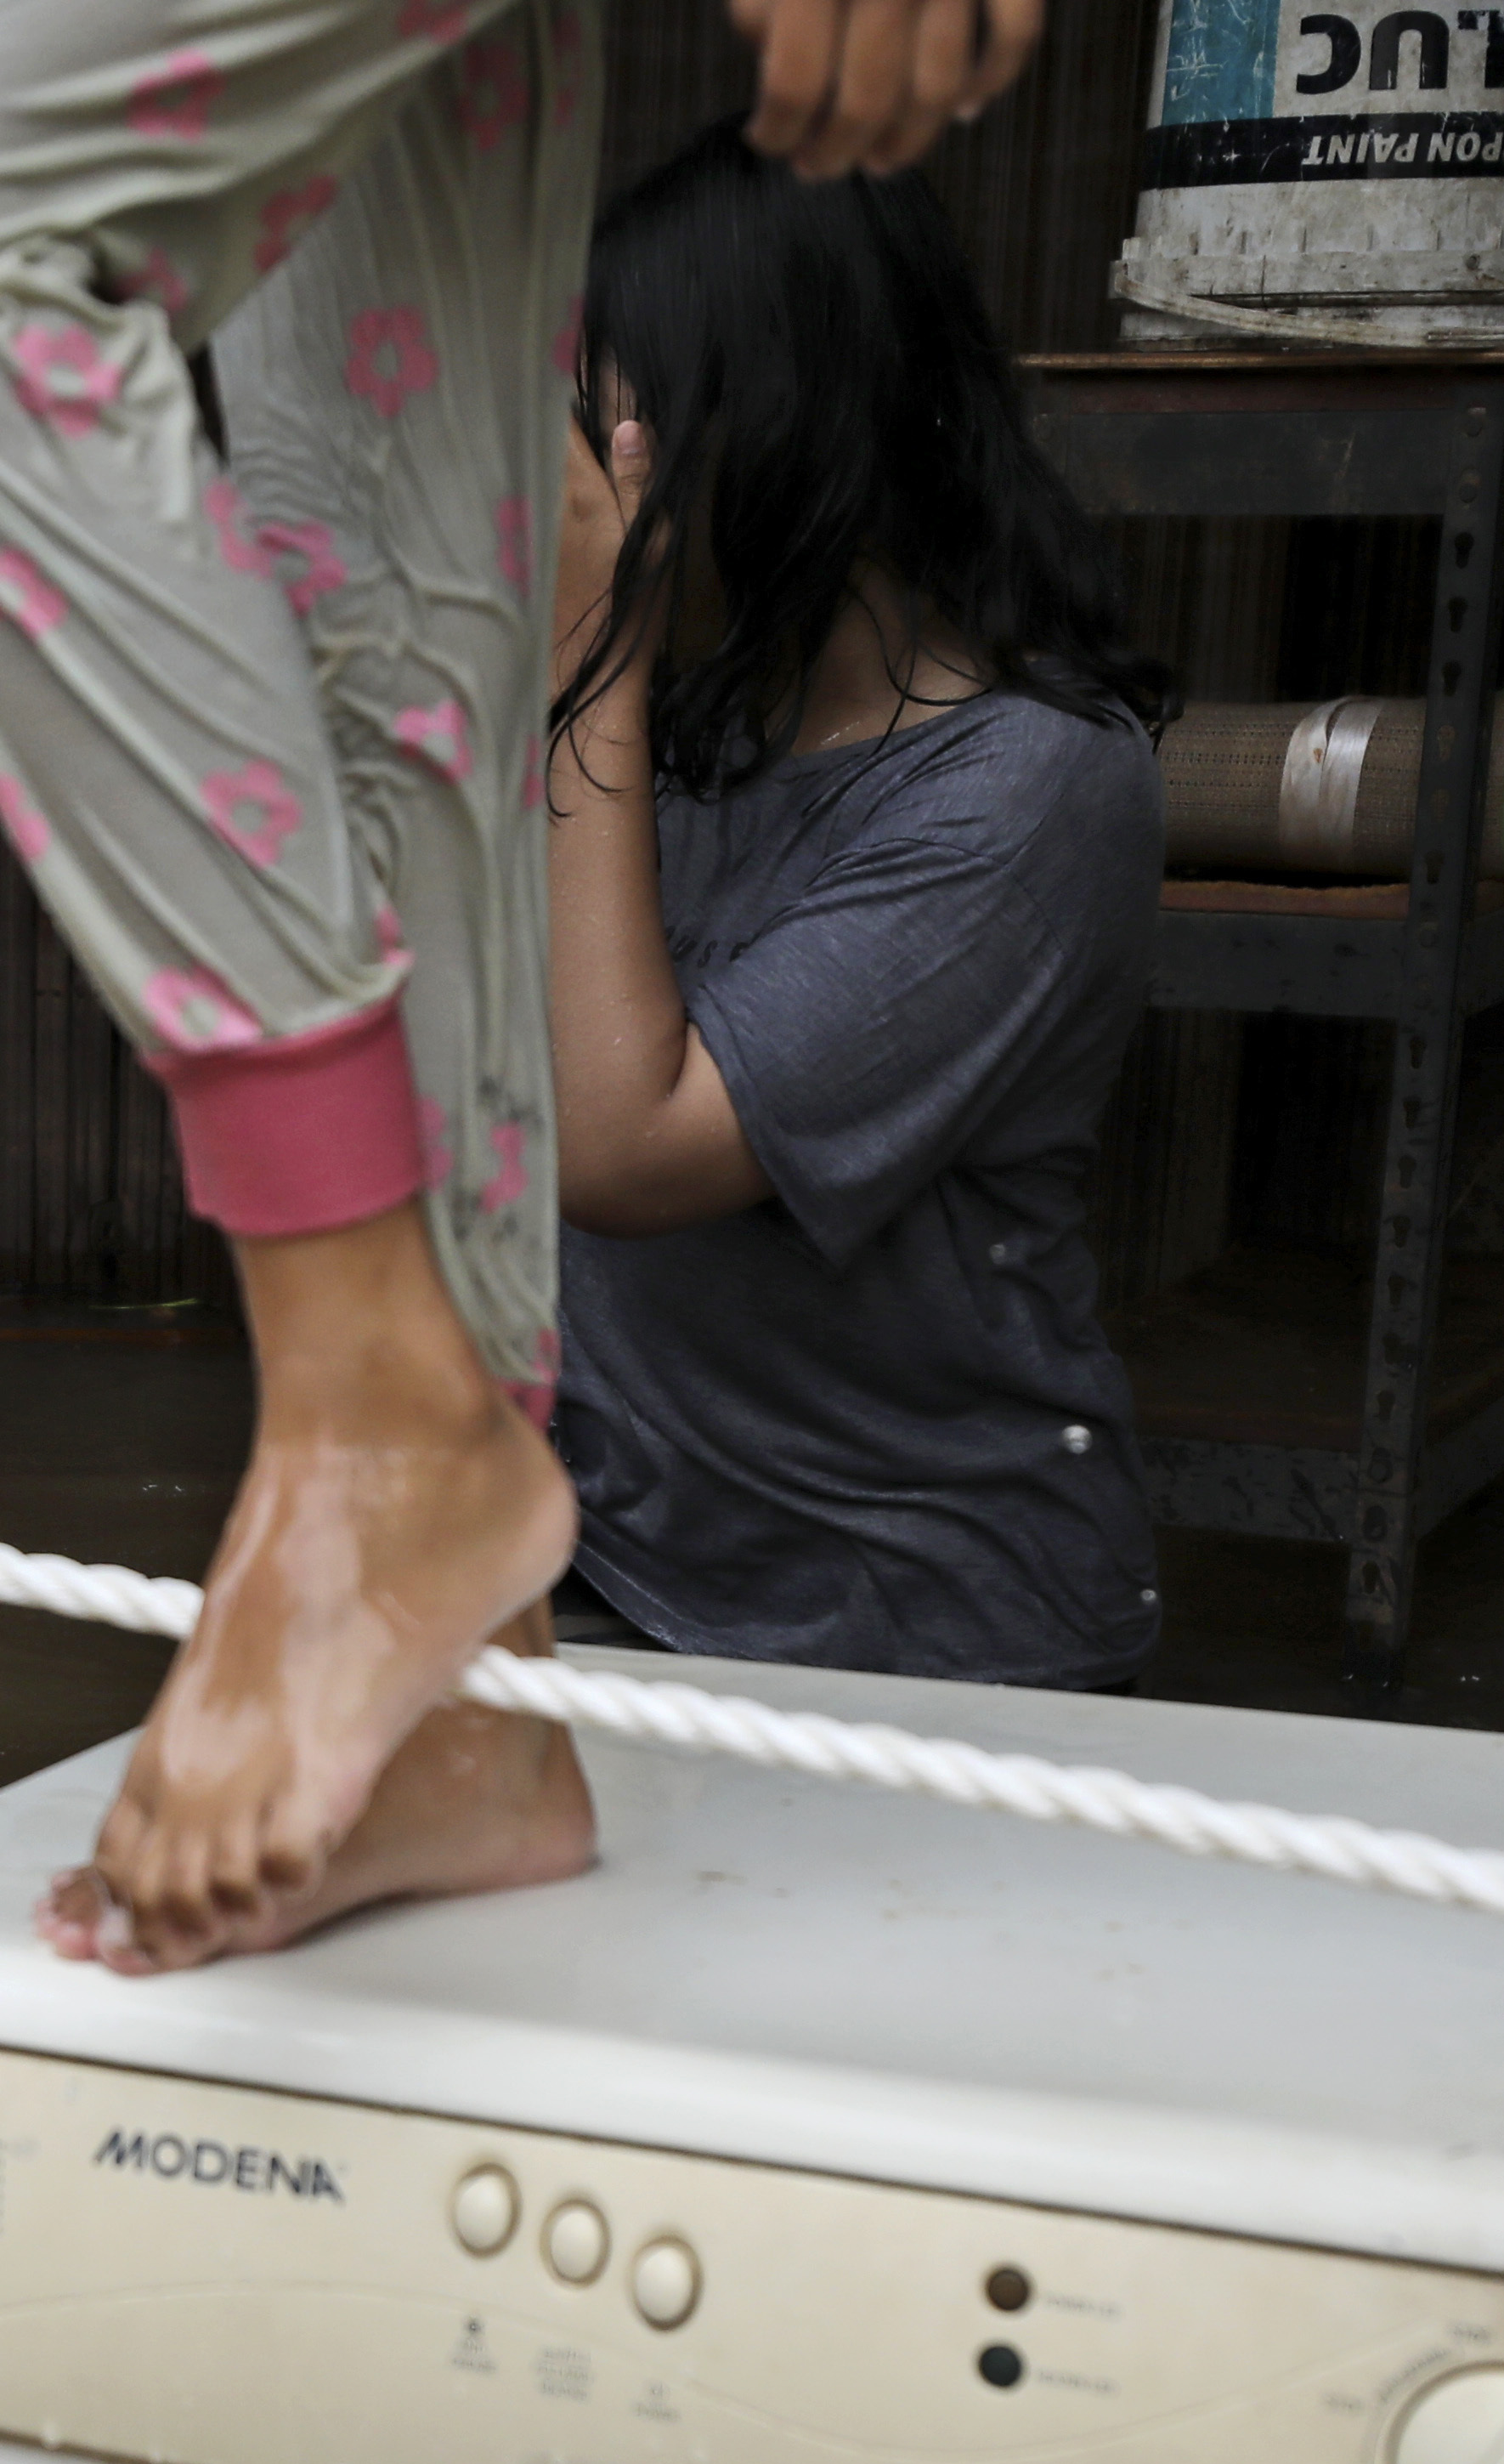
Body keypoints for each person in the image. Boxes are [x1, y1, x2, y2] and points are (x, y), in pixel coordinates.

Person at [0, 0, 1043, 1977]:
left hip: (917, 1573)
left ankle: (376, 1407)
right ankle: (468, 1711)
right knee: (381, 538)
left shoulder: (1015, 783)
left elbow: (634, 1137)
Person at [538, 126, 1171, 1691]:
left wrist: (586, 657)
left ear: (764, 431)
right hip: (620, 1563)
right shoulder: (688, 721)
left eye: (615, 438)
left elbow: (618, 1149)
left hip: (909, 1621)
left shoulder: (1029, 784)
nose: (587, 494)